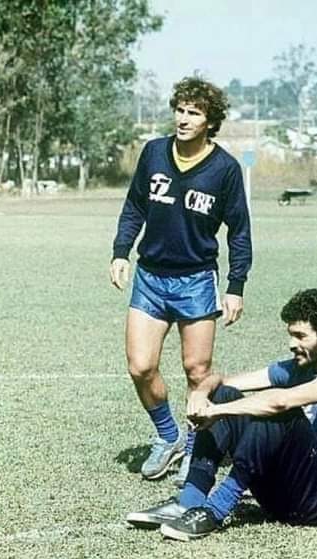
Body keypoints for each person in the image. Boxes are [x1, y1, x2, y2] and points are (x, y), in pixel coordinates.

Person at [126, 288, 317, 540]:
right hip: (283, 496)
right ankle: (188, 502)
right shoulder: (297, 368)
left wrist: (217, 412)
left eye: (300, 336)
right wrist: (202, 393)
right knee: (226, 393)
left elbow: (279, 402)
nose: (291, 344)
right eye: (290, 335)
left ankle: (215, 511)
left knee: (278, 410)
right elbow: (223, 382)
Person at [110, 77, 252, 486]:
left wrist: (236, 285)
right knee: (140, 367)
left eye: (194, 113)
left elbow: (238, 231)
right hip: (150, 277)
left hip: (196, 281)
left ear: (210, 121)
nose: (184, 119)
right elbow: (135, 205)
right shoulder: (154, 152)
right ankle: (167, 436)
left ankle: (195, 449)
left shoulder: (224, 169)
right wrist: (121, 251)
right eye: (180, 110)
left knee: (197, 370)